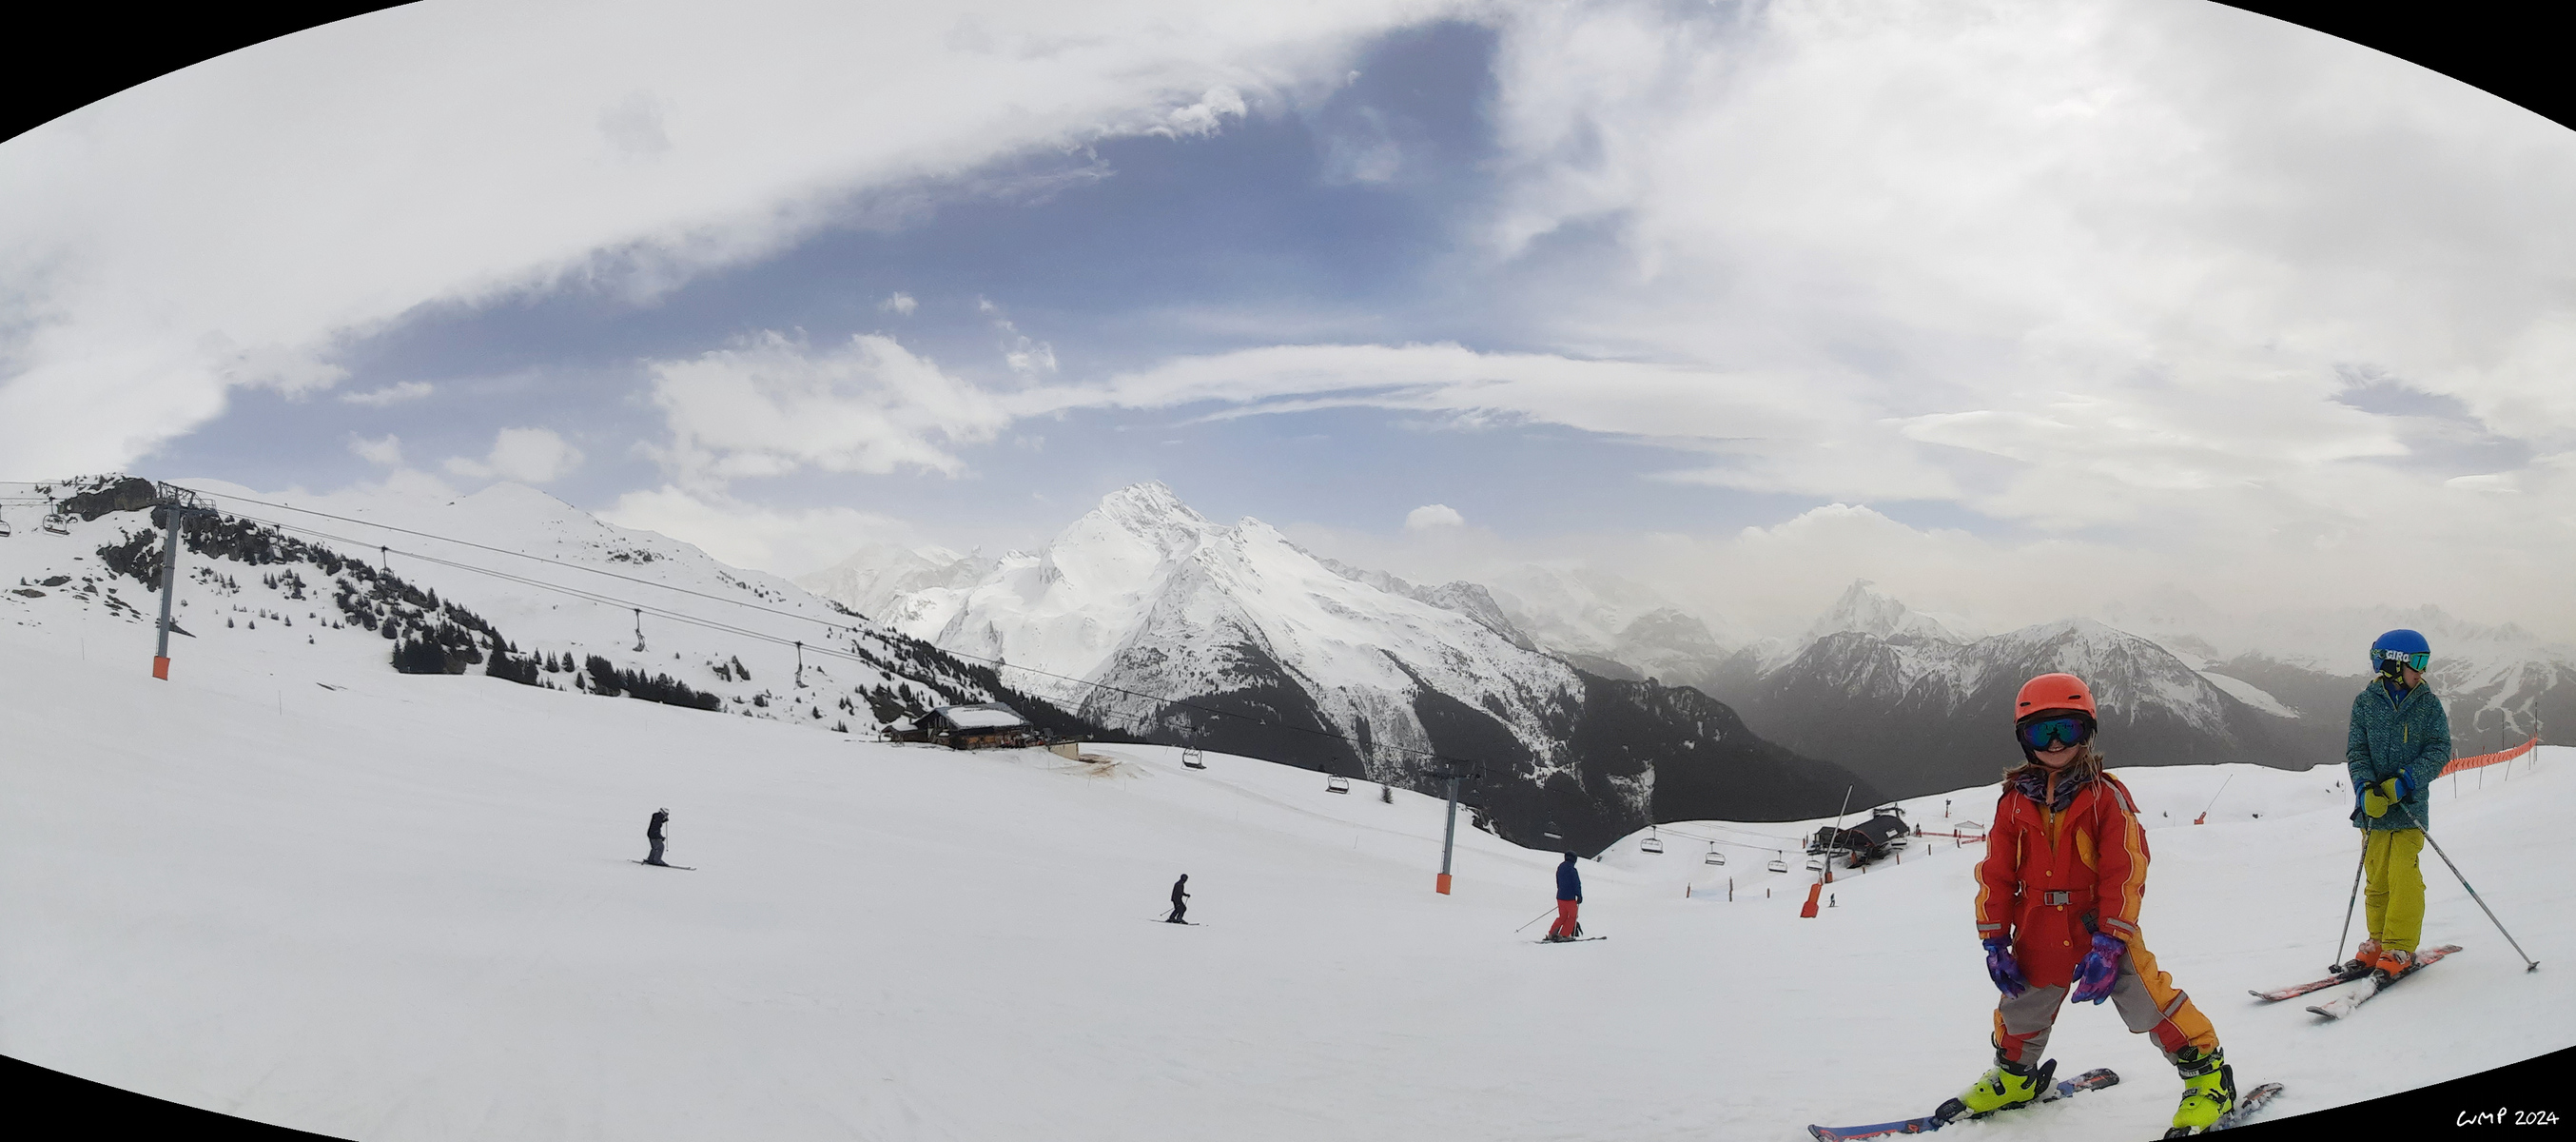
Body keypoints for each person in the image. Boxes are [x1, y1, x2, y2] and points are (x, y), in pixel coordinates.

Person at [1956, 673, 2234, 1134]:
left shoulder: (2106, 797)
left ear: (2087, 732)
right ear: (2024, 739)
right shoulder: (2013, 803)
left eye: (2067, 729)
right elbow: (1996, 873)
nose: (2055, 743)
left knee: (2148, 1000)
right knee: (2022, 1005)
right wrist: (1994, 939)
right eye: (2041, 732)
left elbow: (2125, 869)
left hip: (2097, 924)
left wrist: (2111, 938)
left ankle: (2209, 1078)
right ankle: (2015, 1077)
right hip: (2037, 923)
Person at [2340, 629, 2451, 979]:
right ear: (2393, 664)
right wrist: (2364, 788)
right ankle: (2378, 941)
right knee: (2376, 878)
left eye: (2425, 662)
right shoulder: (2365, 703)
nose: (2422, 670)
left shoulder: (2427, 705)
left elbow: (2439, 750)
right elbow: (2357, 751)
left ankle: (2399, 945)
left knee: (2403, 876)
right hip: (2374, 811)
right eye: (2417, 662)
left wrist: (2405, 781)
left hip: (2408, 809)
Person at [1545, 853, 1583, 940]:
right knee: (1573, 916)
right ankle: (1564, 935)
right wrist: (1579, 895)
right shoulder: (1572, 870)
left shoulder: (1560, 868)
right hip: (1570, 898)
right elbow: (1576, 884)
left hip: (1560, 897)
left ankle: (1552, 933)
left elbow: (1558, 882)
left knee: (1562, 916)